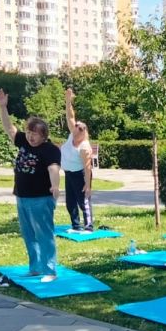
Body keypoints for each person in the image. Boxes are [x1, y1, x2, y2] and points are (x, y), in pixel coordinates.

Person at [0, 89, 61, 283]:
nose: (31, 137)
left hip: (41, 198)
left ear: (44, 136)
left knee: (44, 234)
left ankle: (50, 270)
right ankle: (35, 268)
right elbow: (9, 128)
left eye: (36, 134)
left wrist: (55, 186)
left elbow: (53, 169)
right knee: (29, 235)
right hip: (22, 197)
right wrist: (2, 107)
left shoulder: (50, 149)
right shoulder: (23, 141)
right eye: (30, 132)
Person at [61, 88, 94, 233]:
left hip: (80, 175)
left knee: (83, 201)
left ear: (84, 132)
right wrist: (68, 101)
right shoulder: (71, 136)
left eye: (80, 128)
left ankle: (89, 226)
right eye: (76, 127)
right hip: (69, 173)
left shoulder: (84, 146)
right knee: (70, 202)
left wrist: (88, 185)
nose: (76, 129)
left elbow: (88, 168)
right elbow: (70, 117)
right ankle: (76, 225)